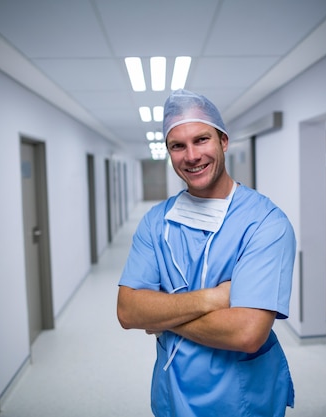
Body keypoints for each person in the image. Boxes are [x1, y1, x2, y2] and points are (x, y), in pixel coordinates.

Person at [117, 89, 296, 417]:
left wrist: (162, 315)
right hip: (171, 394)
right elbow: (129, 311)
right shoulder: (156, 221)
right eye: (178, 146)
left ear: (223, 141)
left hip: (241, 401)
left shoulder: (266, 223)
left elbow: (247, 332)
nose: (191, 155)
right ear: (168, 152)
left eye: (201, 140)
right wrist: (213, 299)